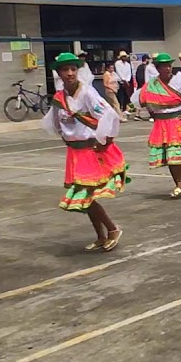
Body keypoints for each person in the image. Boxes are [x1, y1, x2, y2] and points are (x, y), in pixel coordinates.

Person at [41, 53, 127, 250]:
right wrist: (66, 137)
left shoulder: (87, 93)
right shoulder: (58, 98)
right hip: (75, 152)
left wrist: (106, 141)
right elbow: (54, 123)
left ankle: (113, 229)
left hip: (91, 151)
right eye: (65, 70)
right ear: (59, 73)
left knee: (86, 195)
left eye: (73, 69)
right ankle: (101, 236)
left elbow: (109, 115)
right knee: (86, 198)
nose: (70, 73)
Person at [133, 53, 181, 198]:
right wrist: (153, 113)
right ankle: (178, 182)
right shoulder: (152, 84)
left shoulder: (179, 81)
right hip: (162, 123)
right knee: (169, 156)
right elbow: (142, 99)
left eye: (169, 65)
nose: (167, 69)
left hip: (177, 121)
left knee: (174, 153)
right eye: (163, 66)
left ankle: (180, 183)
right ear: (157, 68)